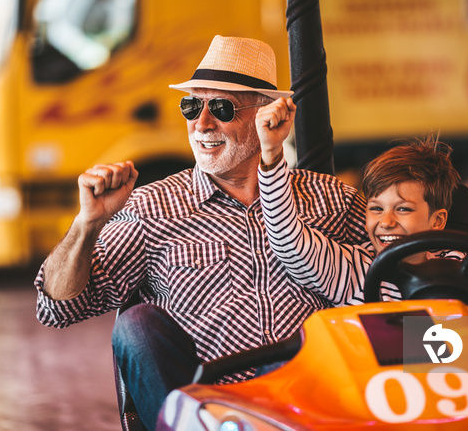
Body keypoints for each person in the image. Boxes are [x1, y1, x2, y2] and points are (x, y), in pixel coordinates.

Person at [34, 35, 368, 430]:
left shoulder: (333, 199)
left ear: (267, 114)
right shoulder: (150, 208)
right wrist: (86, 224)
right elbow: (56, 309)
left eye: (222, 108)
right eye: (191, 106)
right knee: (136, 326)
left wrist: (444, 350)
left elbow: (399, 285)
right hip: (210, 411)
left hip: (314, 403)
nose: (202, 123)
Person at [256, 109, 468, 320]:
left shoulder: (459, 264)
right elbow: (288, 242)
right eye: (376, 208)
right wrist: (271, 156)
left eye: (403, 209)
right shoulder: (352, 270)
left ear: (437, 221)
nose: (386, 222)